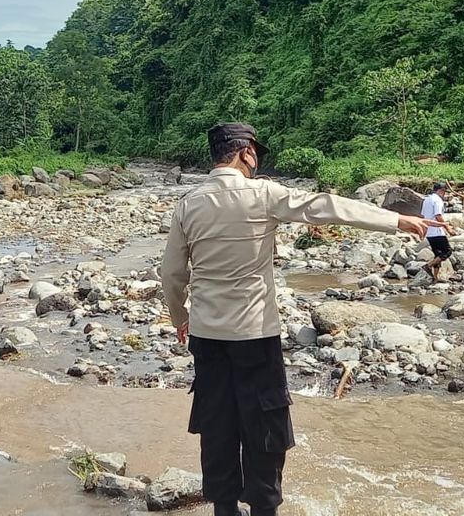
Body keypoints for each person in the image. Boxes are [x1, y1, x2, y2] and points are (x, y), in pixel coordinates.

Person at [160, 124, 438, 516]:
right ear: (246, 154)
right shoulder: (263, 194)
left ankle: (224, 507)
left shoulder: (189, 203)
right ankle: (264, 508)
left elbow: (172, 273)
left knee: (217, 421)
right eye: (256, 153)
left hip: (207, 335)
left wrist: (180, 317)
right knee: (266, 423)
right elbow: (326, 206)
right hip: (255, 333)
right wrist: (395, 220)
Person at [421, 182, 452, 281]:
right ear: (441, 191)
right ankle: (428, 266)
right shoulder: (437, 200)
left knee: (437, 255)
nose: (444, 194)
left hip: (428, 232)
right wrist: (448, 228)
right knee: (447, 251)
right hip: (437, 231)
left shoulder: (426, 199)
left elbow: (422, 215)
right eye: (444, 192)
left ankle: (435, 278)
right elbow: (438, 215)